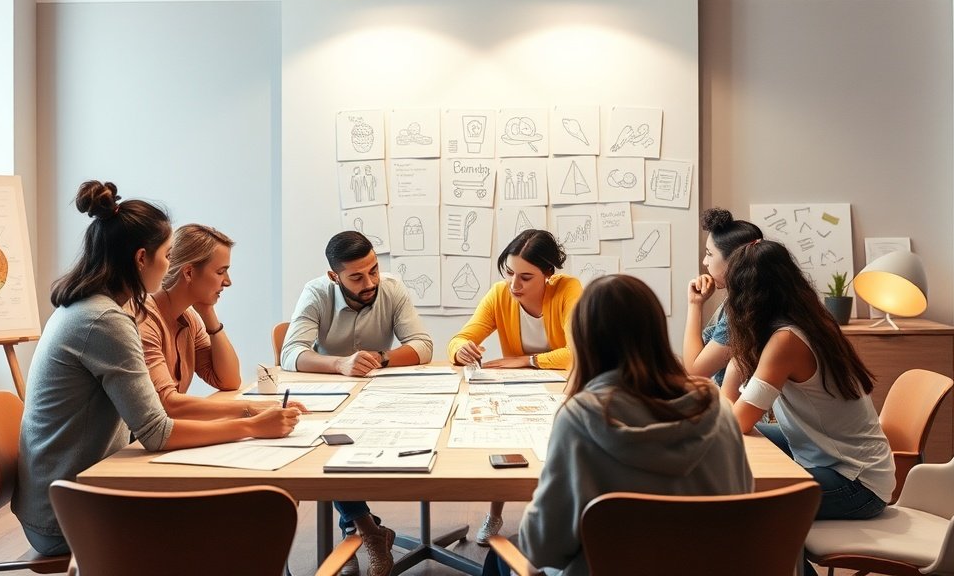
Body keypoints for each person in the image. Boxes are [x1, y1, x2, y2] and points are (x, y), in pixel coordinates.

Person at [16, 182, 300, 556]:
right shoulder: (106, 320)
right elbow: (156, 431)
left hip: (70, 499)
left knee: (231, 512)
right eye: (167, 256)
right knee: (241, 519)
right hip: (68, 516)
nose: (169, 267)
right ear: (140, 259)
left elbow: (217, 384)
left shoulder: (89, 307)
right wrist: (251, 425)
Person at [482, 274, 752, 576]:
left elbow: (544, 549)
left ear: (584, 341)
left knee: (502, 554)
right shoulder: (718, 409)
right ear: (656, 333)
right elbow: (740, 509)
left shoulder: (578, 419)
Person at [722, 239, 894, 576]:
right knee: (746, 452)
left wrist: (736, 353)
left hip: (857, 482)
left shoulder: (786, 340)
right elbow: (740, 411)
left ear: (747, 297)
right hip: (830, 455)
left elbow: (737, 419)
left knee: (756, 506)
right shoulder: (809, 324)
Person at [280, 231, 433, 576]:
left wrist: (381, 357)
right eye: (358, 277)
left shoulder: (391, 288)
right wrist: (338, 363)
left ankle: (351, 531)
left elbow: (423, 345)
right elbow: (290, 353)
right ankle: (368, 530)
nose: (370, 282)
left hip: (380, 396)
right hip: (327, 397)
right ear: (334, 277)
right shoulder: (316, 292)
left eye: (374, 270)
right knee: (329, 449)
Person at [447, 229, 582, 546]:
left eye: (525, 277)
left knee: (556, 450)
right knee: (506, 442)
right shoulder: (499, 295)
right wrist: (461, 349)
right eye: (508, 272)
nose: (513, 285)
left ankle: (557, 516)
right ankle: (495, 512)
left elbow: (577, 350)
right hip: (518, 391)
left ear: (548, 274)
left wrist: (528, 360)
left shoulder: (568, 289)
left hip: (564, 389)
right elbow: (458, 338)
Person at [137, 224, 276, 417]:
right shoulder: (144, 321)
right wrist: (248, 409)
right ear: (189, 273)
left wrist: (209, 314)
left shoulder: (189, 318)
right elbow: (167, 404)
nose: (228, 281)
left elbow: (228, 380)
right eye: (220, 272)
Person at [682, 208, 762, 385]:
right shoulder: (756, 296)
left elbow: (695, 371)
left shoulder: (743, 310)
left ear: (733, 261)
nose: (705, 262)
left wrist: (694, 304)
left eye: (709, 254)